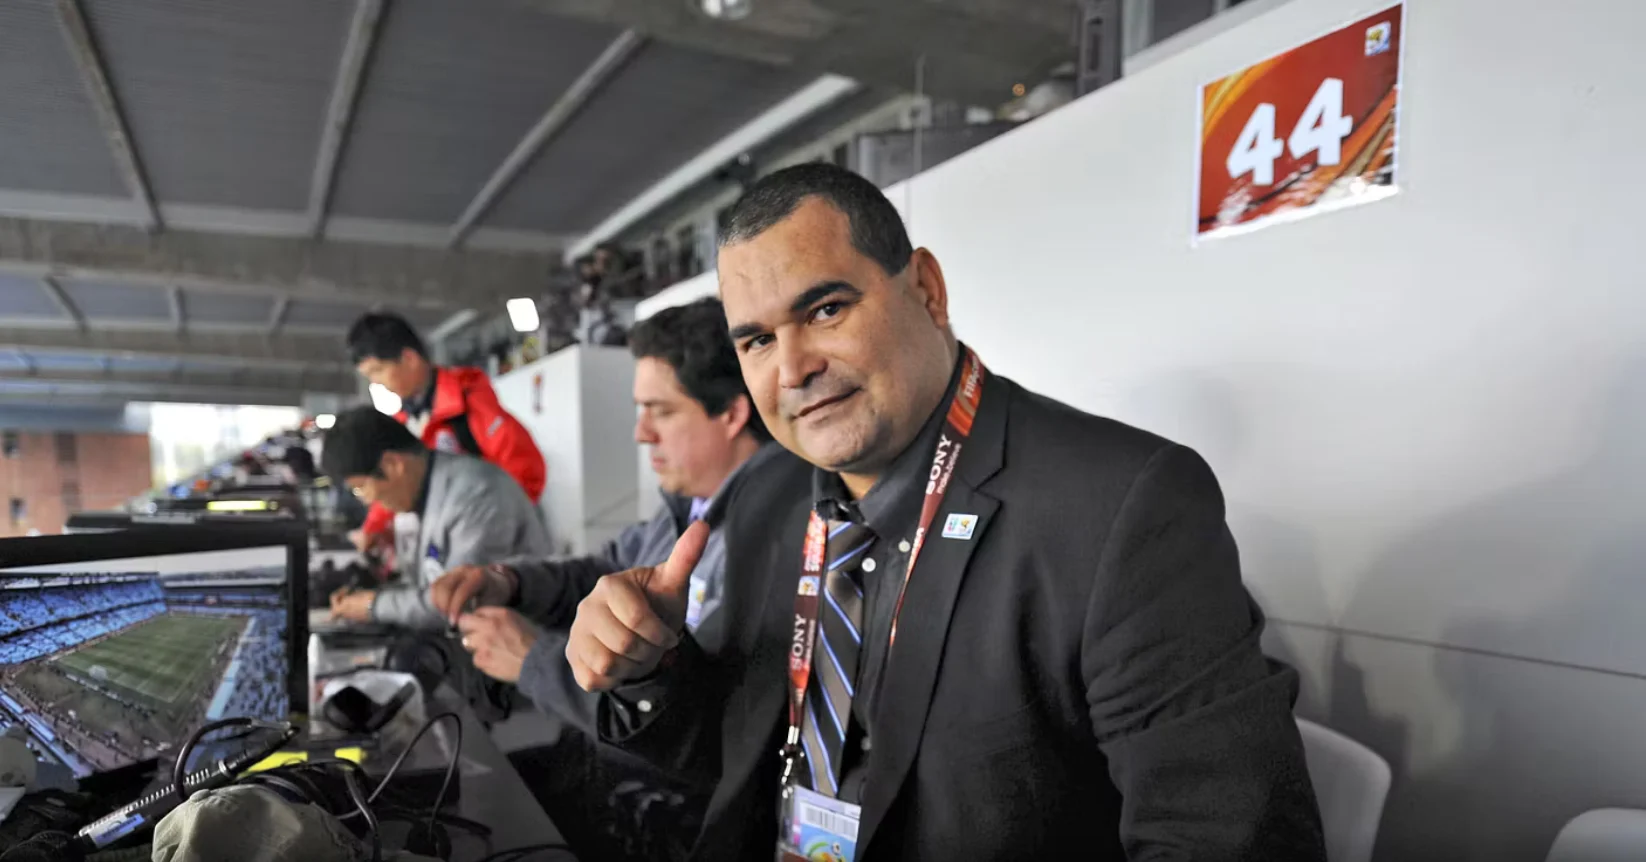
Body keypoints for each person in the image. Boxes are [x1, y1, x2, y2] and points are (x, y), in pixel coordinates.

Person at [564, 164, 1327, 861]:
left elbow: (1230, 840)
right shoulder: (768, 496)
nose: (792, 369)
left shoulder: (1124, 505)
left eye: (826, 309)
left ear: (927, 289)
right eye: (758, 340)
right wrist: (650, 667)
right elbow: (743, 755)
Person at [428, 298, 792, 862]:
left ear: (731, 413)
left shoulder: (779, 536)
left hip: (672, 818)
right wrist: (506, 582)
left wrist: (532, 660)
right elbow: (596, 574)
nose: (641, 434)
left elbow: (712, 728)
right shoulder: (685, 510)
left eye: (660, 411)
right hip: (608, 776)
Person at [320, 406, 551, 630]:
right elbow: (429, 583)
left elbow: (457, 600)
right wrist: (370, 596)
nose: (366, 500)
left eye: (360, 488)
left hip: (521, 642)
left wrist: (373, 605)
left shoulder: (476, 494)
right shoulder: (426, 493)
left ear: (393, 465)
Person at [346, 312, 546, 553]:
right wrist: (373, 528)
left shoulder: (468, 404)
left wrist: (490, 527)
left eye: (377, 370)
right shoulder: (405, 422)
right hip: (447, 543)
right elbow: (392, 482)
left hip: (495, 547)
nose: (375, 383)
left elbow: (527, 470)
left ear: (409, 358)